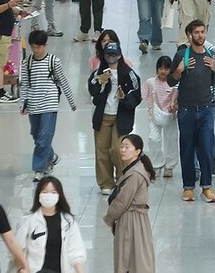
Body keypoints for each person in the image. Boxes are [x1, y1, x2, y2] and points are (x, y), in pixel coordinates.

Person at [168, 20, 215, 204]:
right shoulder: (182, 55)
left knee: (205, 147)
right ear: (189, 35)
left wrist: (214, 68)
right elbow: (170, 82)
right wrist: (179, 71)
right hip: (187, 110)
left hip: (206, 109)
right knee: (187, 149)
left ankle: (206, 186)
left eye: (202, 32)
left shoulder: (211, 55)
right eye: (196, 32)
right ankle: (188, 187)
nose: (200, 36)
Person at [21, 30, 77, 182]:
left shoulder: (54, 61)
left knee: (44, 136)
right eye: (33, 47)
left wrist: (71, 102)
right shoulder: (27, 63)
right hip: (33, 104)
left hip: (49, 103)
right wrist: (23, 103)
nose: (35, 50)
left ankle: (39, 168)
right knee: (36, 135)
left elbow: (63, 82)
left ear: (46, 45)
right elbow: (25, 84)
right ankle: (51, 156)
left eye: (38, 47)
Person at [88, 42, 142, 195]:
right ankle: (106, 183)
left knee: (119, 150)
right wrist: (101, 82)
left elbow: (136, 95)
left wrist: (124, 98)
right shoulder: (98, 73)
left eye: (114, 54)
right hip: (102, 116)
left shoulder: (129, 74)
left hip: (121, 118)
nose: (111, 58)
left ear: (119, 55)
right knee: (101, 150)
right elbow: (92, 92)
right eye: (108, 54)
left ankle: (122, 179)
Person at [103, 135, 156, 273]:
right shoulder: (135, 169)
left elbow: (122, 201)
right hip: (135, 220)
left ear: (137, 151)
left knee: (129, 260)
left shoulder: (135, 174)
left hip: (131, 221)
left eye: (127, 147)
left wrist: (109, 218)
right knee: (136, 258)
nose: (123, 150)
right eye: (121, 146)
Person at [15, 176, 87, 273]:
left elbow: (75, 251)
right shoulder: (28, 221)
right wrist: (22, 269)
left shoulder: (68, 221)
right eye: (45, 192)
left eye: (53, 192)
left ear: (59, 195)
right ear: (38, 195)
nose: (49, 196)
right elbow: (18, 250)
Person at [143, 55, 178, 179]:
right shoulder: (150, 82)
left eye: (166, 68)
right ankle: (156, 165)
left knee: (171, 140)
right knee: (153, 139)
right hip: (154, 116)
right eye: (160, 68)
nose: (163, 71)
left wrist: (175, 106)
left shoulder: (174, 85)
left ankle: (169, 166)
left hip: (170, 116)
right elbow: (143, 97)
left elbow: (178, 100)